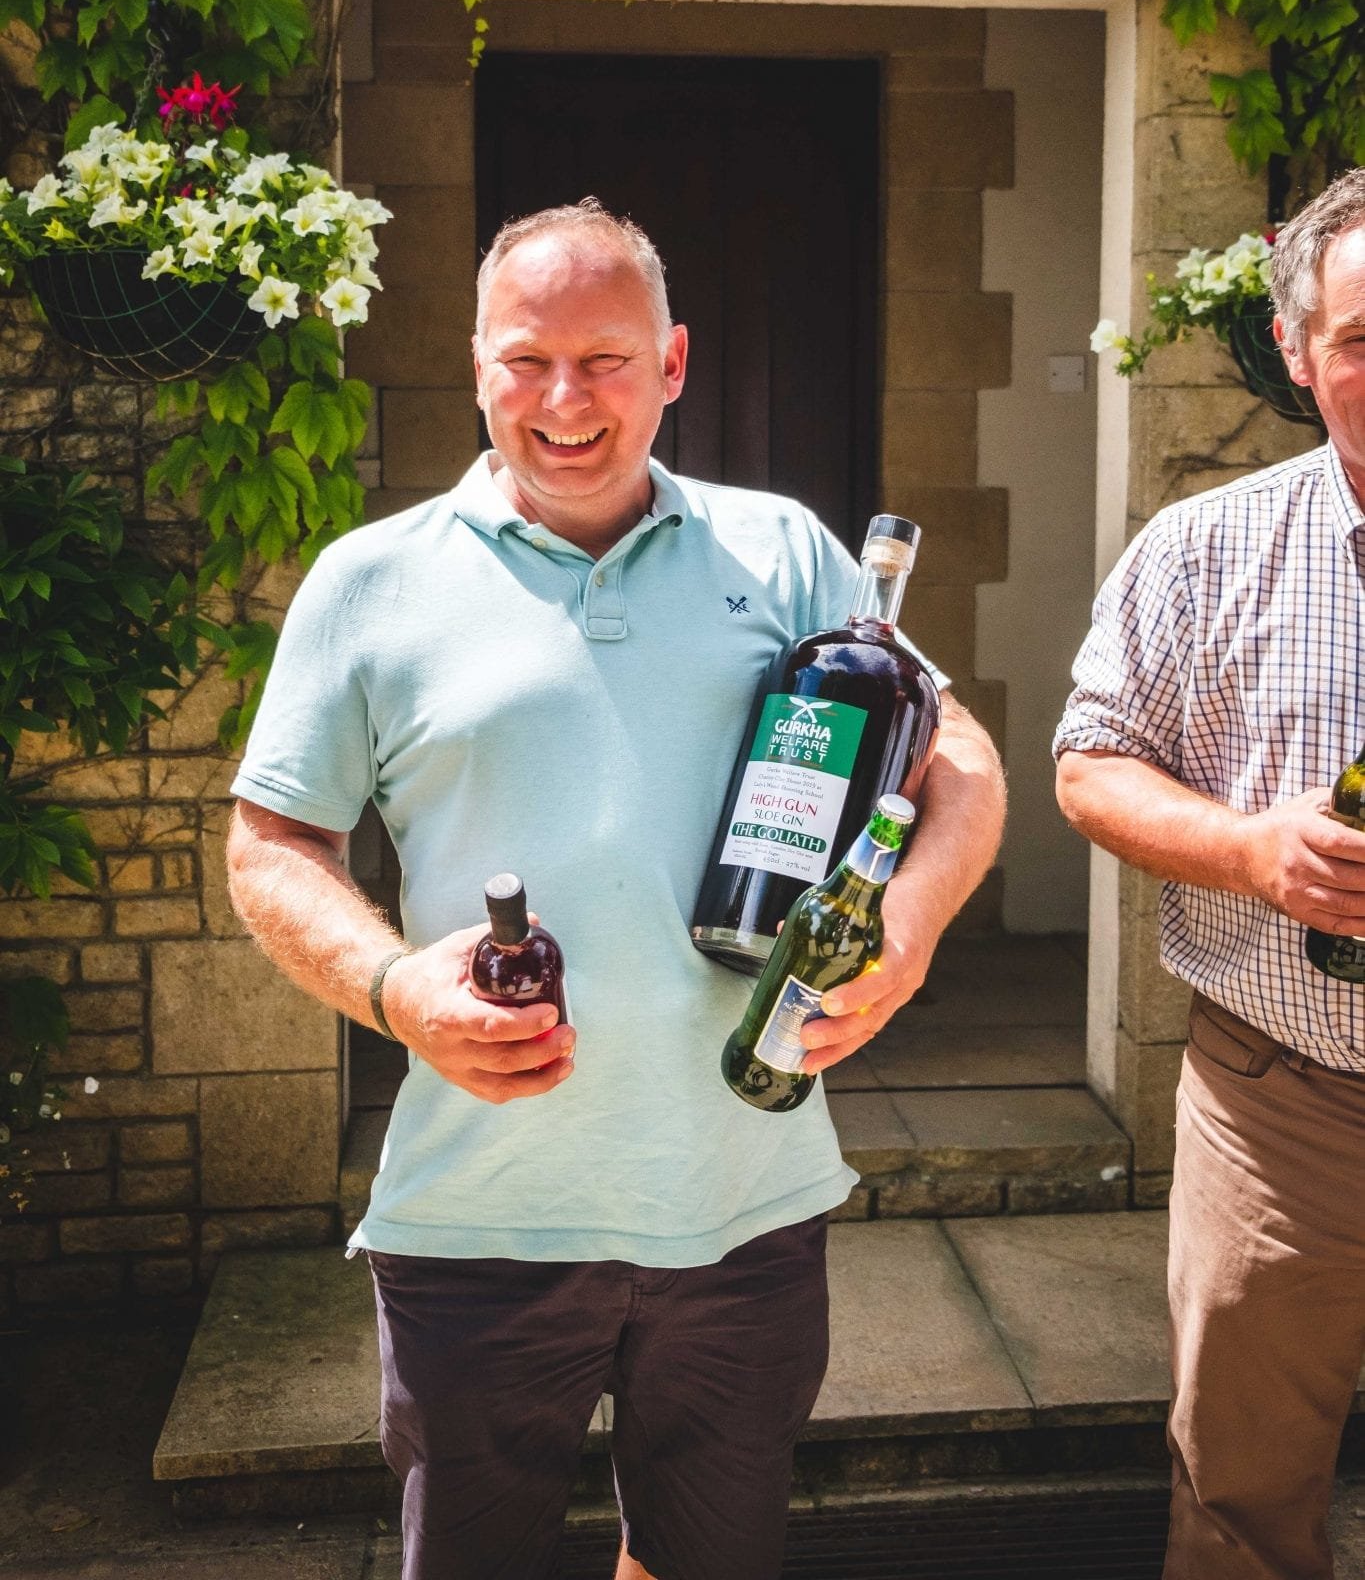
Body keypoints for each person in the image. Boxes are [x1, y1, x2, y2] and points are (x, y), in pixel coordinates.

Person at [226, 196, 1005, 1580]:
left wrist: (907, 927)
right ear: (477, 363)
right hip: (480, 1216)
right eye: (526, 359)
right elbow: (272, 844)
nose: (565, 400)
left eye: (607, 359)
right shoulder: (370, 580)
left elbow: (961, 767)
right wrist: (398, 987)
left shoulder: (782, 554)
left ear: (675, 364)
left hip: (744, 1203)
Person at [1054, 168, 1365, 1580]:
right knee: (1241, 1484)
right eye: (1358, 340)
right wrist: (1249, 849)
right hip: (1284, 1100)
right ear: (1296, 356)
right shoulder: (1203, 549)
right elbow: (1088, 765)